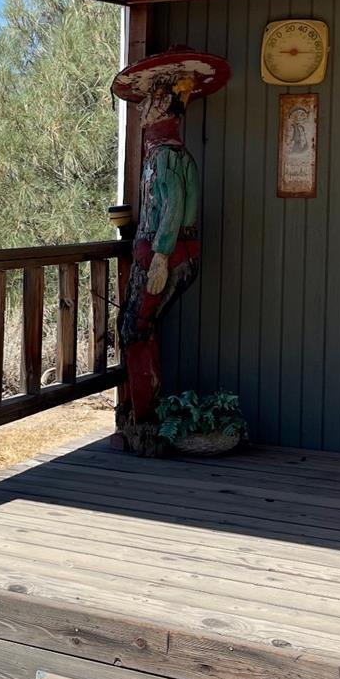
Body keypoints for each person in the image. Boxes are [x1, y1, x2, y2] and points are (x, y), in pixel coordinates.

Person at [113, 46, 232, 449]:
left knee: (134, 329)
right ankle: (143, 413)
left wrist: (161, 256)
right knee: (139, 328)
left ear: (163, 108)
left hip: (165, 254)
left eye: (150, 102)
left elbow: (174, 207)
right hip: (167, 251)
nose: (142, 111)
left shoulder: (164, 156)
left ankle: (146, 418)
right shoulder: (170, 155)